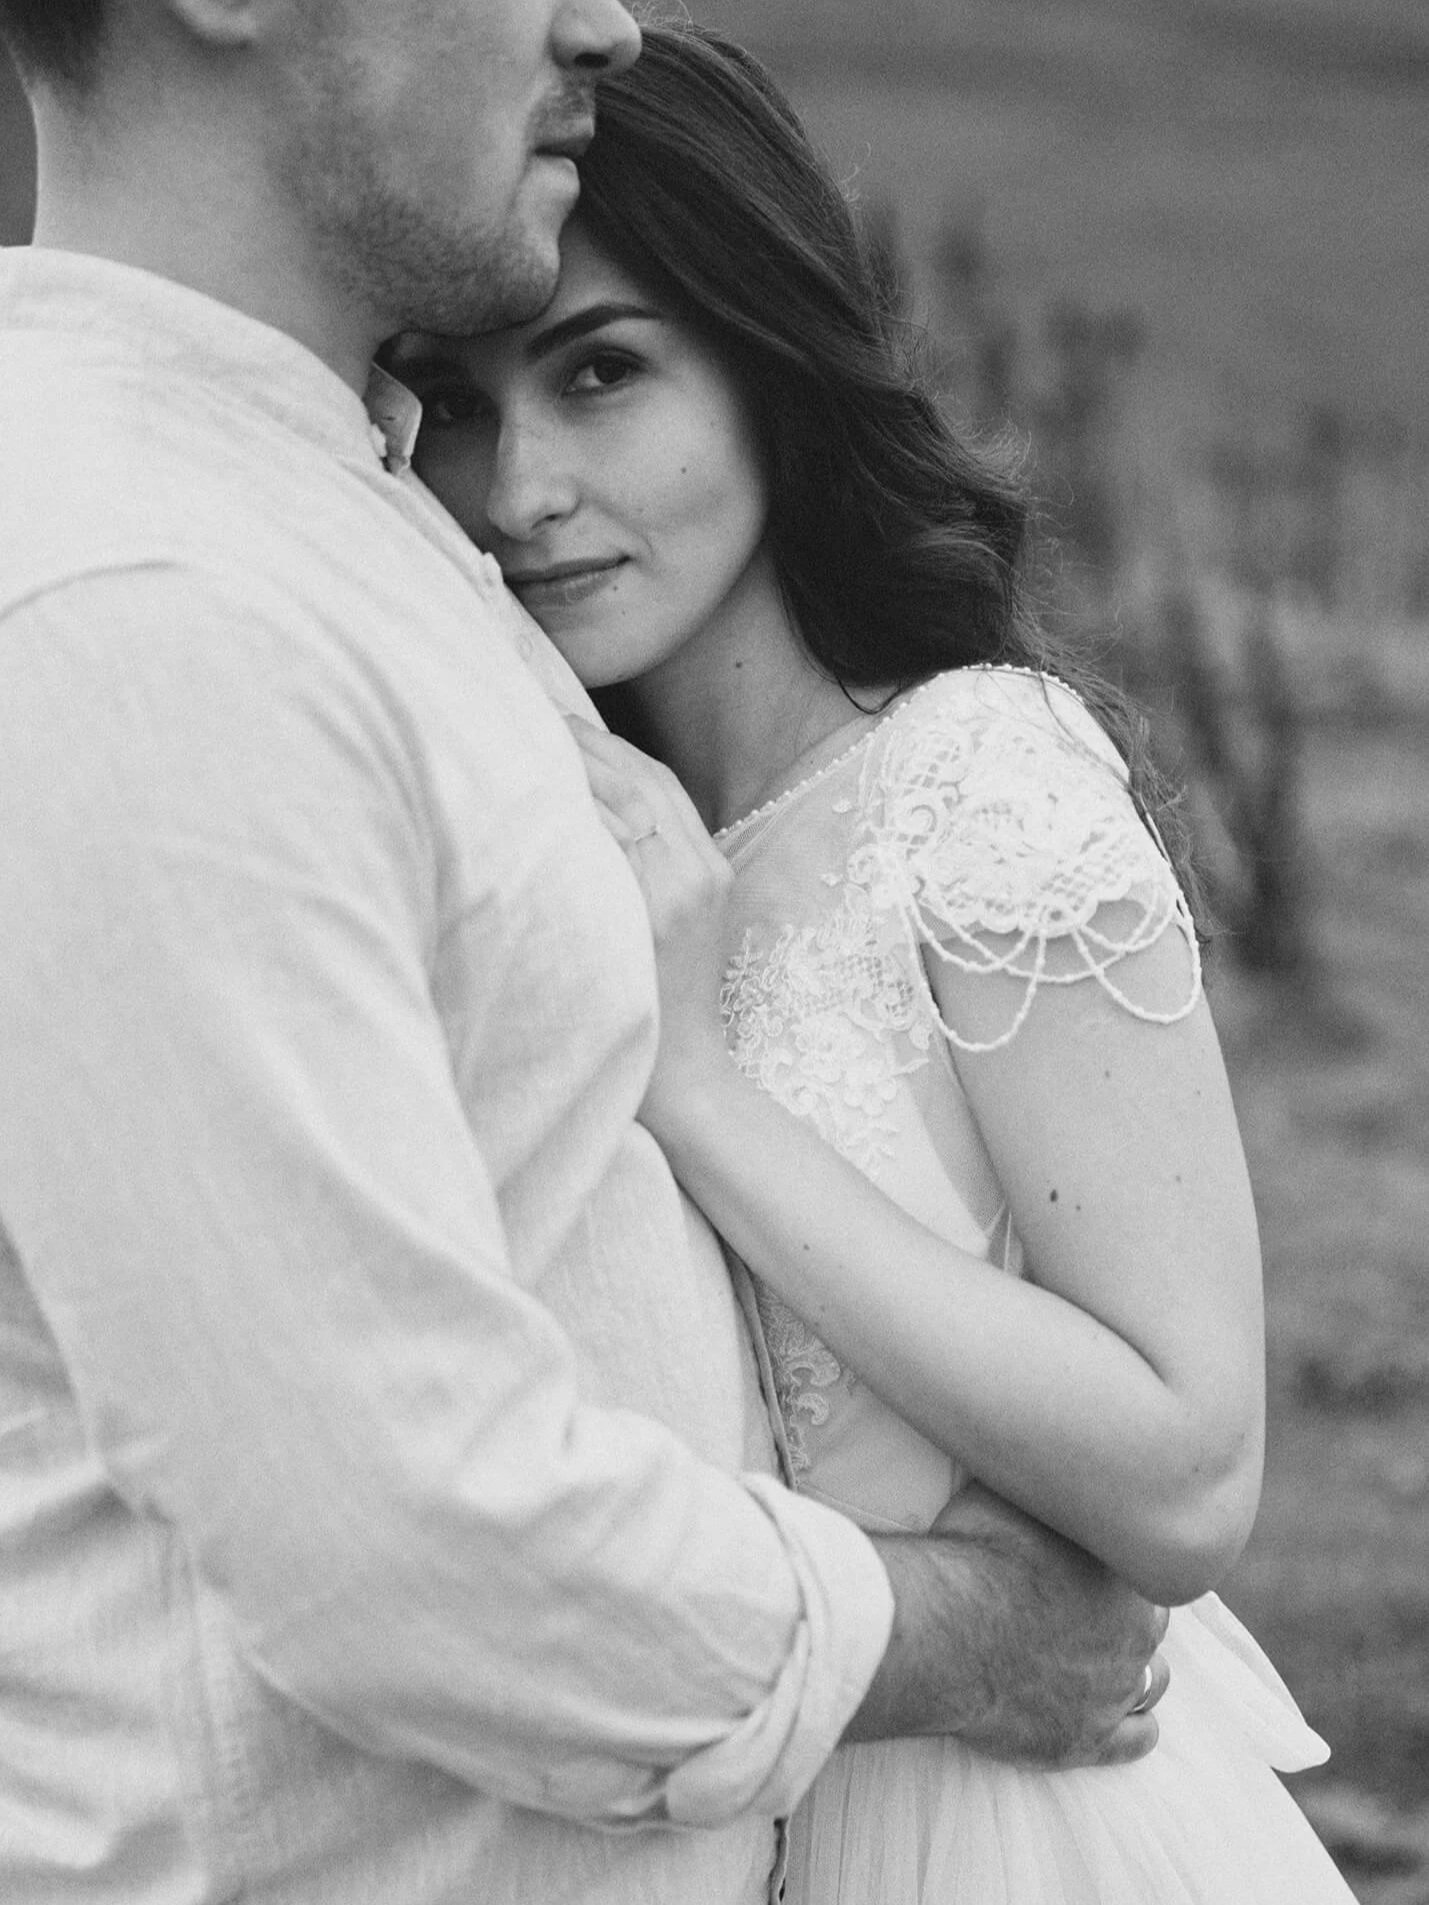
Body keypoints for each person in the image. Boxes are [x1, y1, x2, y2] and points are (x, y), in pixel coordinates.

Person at [0, 3, 1170, 1902]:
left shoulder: (328, 511)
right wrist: (958, 1637)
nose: (602, 19)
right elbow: (398, 1530)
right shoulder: (141, 599)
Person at [397, 21, 1360, 1904]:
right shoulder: (559, 833)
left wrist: (691, 1087)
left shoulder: (972, 779)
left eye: (602, 374)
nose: (520, 491)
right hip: (722, 1810)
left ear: (764, 365)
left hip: (1021, 1828)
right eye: (455, 403)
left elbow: (1186, 1467)